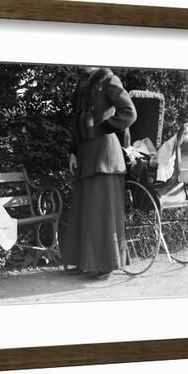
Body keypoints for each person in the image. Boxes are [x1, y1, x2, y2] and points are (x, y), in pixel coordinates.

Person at [62, 67, 137, 279]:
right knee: (84, 209)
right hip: (86, 154)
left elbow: (129, 113)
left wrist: (104, 127)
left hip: (105, 155)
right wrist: (73, 152)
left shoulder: (109, 80)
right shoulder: (82, 84)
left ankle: (106, 264)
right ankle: (84, 261)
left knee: (102, 211)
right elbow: (77, 121)